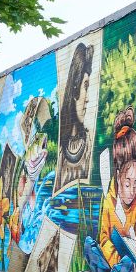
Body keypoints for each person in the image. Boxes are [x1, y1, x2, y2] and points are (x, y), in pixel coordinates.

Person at [79, 108, 136, 272]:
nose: (133, 190)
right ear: (118, 177)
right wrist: (116, 260)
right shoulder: (109, 200)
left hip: (127, 266)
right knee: (89, 245)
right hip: (113, 263)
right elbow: (103, 238)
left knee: (128, 263)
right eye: (128, 183)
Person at [58, 42, 94, 186]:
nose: (88, 99)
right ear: (74, 90)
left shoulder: (89, 143)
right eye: (85, 86)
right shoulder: (61, 151)